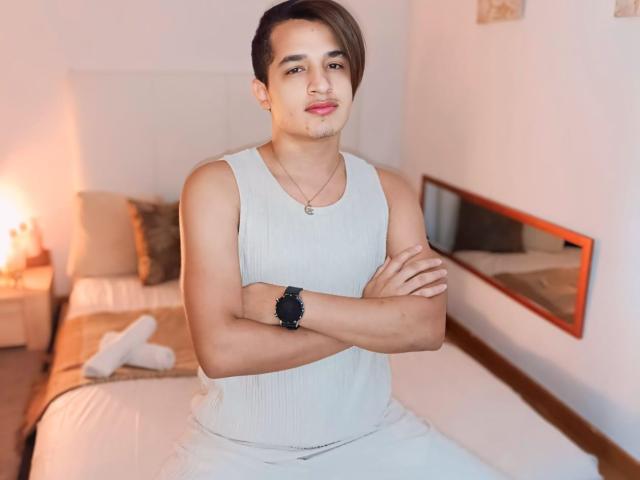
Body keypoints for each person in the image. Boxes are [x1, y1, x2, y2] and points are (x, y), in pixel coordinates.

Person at [156, 1, 507, 478]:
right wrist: (370, 313)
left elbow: (425, 328)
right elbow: (220, 352)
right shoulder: (217, 186)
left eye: (335, 65)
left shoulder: (391, 191)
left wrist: (289, 304)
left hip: (372, 435)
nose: (320, 84)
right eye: (296, 68)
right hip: (238, 449)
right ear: (263, 92)